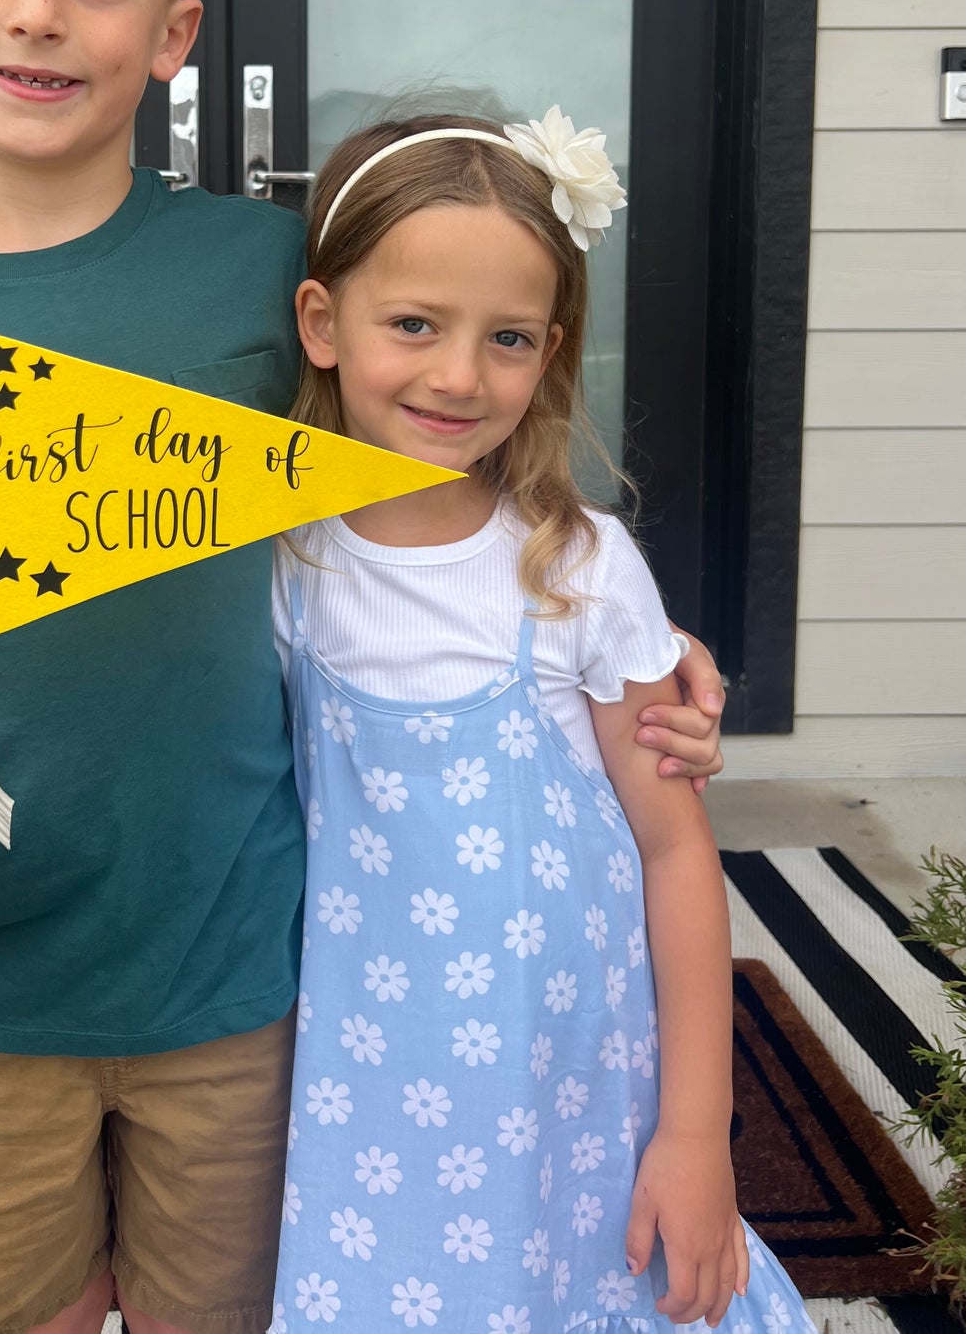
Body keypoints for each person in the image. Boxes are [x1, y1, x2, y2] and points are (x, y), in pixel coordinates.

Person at [0, 0, 727, 1334]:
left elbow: (436, 450)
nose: (40, 10)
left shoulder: (266, 290)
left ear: (175, 31)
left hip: (255, 989)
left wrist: (638, 646)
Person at [269, 112, 813, 1334]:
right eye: (412, 323)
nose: (458, 376)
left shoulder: (576, 569)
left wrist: (692, 1131)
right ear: (321, 323)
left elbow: (674, 850)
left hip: (565, 1073)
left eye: (505, 338)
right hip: (359, 1084)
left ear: (549, 349)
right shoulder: (279, 561)